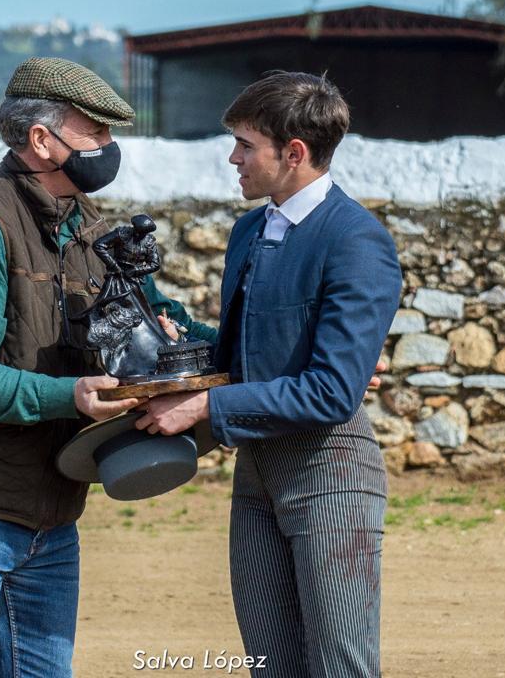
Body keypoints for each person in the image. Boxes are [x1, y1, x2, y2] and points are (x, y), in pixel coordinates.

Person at [0, 57, 209, 678]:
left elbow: (174, 323)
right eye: (96, 132)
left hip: (51, 516)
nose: (108, 148)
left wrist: (284, 355)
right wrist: (72, 397)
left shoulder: (91, 230)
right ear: (41, 139)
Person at [136, 71, 403, 677]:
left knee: (338, 670)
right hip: (257, 475)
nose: (233, 158)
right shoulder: (250, 231)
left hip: (330, 473)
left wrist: (205, 407)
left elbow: (333, 392)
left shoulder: (357, 240)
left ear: (295, 153)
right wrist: (170, 334)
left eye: (245, 145)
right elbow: (243, 357)